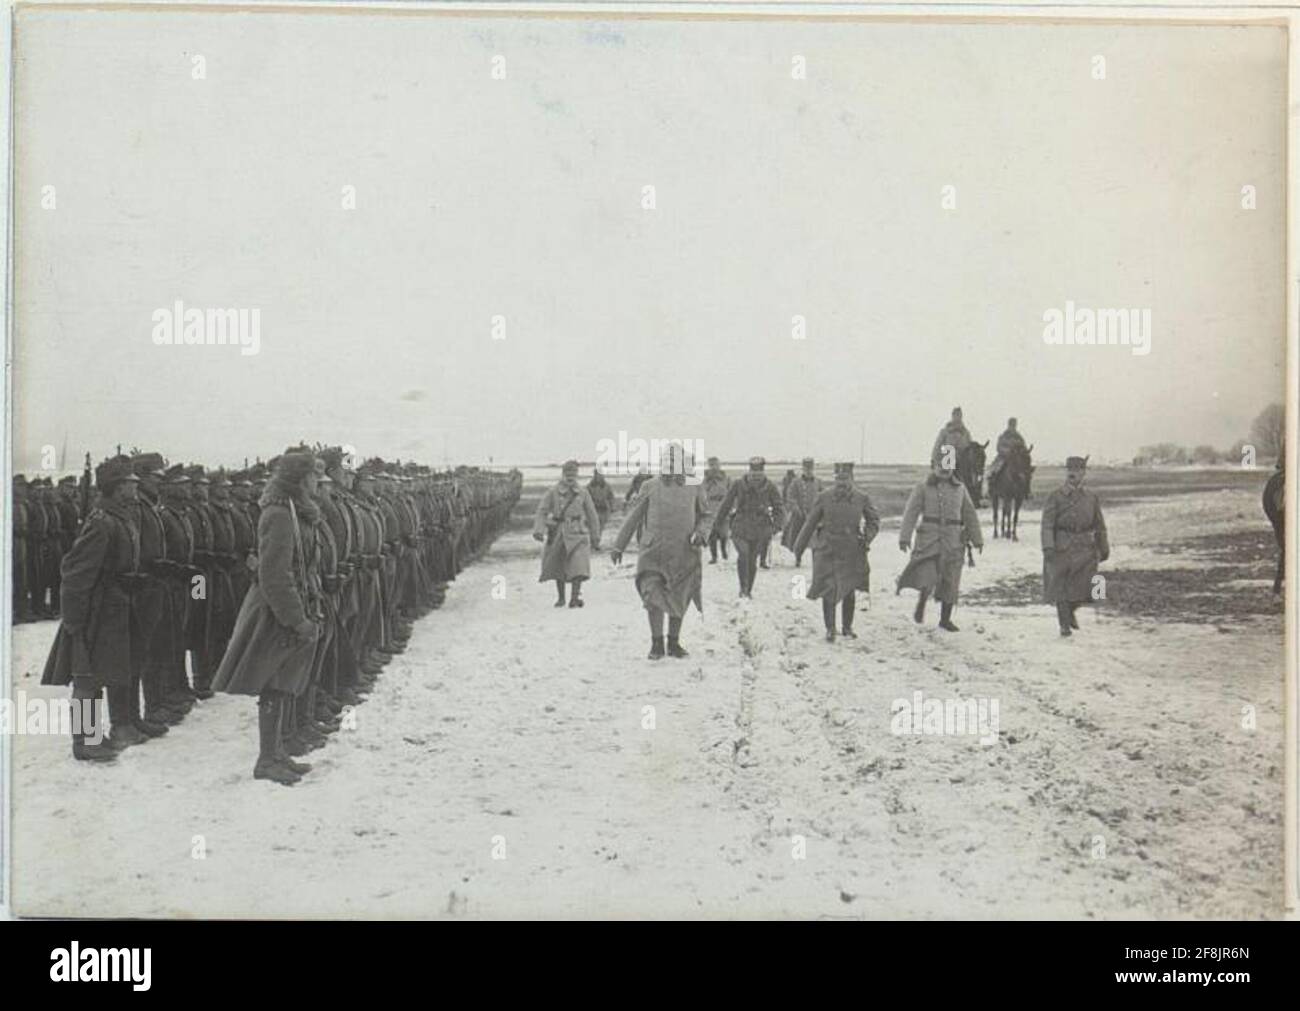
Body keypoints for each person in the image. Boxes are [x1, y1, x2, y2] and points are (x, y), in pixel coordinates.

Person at [211, 449, 323, 785]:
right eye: (314, 475)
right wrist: (296, 618)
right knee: (274, 683)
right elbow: (274, 576)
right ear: (300, 480)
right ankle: (266, 759)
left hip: (293, 605)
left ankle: (276, 754)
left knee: (285, 682)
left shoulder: (296, 511)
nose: (319, 480)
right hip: (278, 611)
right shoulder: (278, 514)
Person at [40, 456, 144, 761]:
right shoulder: (101, 522)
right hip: (95, 611)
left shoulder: (120, 517)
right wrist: (75, 621)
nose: (134, 486)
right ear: (115, 487)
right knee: (87, 677)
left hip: (116, 606)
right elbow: (74, 572)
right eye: (129, 482)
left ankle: (106, 732)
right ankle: (84, 741)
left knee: (106, 671)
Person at [611, 443, 713, 659]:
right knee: (652, 595)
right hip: (653, 552)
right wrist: (619, 545)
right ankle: (656, 643)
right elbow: (634, 517)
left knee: (680, 595)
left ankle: (674, 643)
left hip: (684, 551)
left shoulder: (694, 486)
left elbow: (705, 516)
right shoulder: (650, 486)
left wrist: (701, 533)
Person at [897, 449, 983, 631]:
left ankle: (945, 619)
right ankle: (922, 599)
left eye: (948, 465)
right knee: (927, 574)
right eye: (941, 465)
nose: (945, 470)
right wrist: (904, 537)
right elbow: (911, 512)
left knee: (951, 581)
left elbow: (970, 514)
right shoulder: (923, 487)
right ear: (934, 465)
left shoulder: (960, 488)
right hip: (929, 539)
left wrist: (977, 539)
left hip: (953, 541)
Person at [794, 462, 880, 641]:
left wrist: (867, 537)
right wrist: (799, 547)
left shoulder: (862, 498)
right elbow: (810, 523)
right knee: (829, 589)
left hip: (852, 550)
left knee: (848, 589)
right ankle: (830, 628)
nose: (842, 483)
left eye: (845, 478)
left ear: (852, 479)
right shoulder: (823, 497)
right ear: (835, 479)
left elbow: (874, 521)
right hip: (827, 548)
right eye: (838, 478)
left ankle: (847, 627)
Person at [1041, 455, 1109, 637]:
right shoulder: (1055, 496)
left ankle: (1071, 608)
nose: (1073, 473)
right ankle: (1064, 625)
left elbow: (1099, 524)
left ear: (1083, 473)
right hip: (1061, 546)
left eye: (1078, 470)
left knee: (1086, 587)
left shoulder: (1091, 497)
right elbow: (1047, 523)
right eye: (1070, 470)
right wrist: (1048, 546)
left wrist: (1103, 546)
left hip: (1085, 547)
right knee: (1061, 586)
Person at [533, 459, 601, 608]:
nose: (570, 477)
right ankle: (561, 597)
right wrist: (539, 530)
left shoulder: (583, 493)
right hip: (559, 533)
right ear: (563, 474)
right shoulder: (553, 492)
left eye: (573, 473)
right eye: (567, 473)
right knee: (559, 565)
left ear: (577, 475)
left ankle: (574, 598)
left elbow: (592, 515)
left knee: (579, 566)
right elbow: (542, 511)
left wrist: (595, 537)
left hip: (578, 533)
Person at [716, 456, 784, 598]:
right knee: (744, 554)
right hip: (740, 526)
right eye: (753, 474)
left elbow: (779, 506)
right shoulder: (738, 484)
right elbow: (726, 503)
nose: (756, 477)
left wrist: (777, 525)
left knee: (752, 559)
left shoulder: (770, 486)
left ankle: (749, 590)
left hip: (760, 528)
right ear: (749, 472)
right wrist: (717, 523)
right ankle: (743, 588)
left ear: (763, 472)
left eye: (759, 474)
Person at [782, 457, 821, 567]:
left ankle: (816, 560)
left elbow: (823, 496)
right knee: (798, 538)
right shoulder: (796, 482)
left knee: (815, 539)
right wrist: (796, 509)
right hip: (799, 516)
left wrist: (819, 511)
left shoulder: (818, 482)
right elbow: (790, 497)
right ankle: (798, 558)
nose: (808, 470)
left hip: (814, 516)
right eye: (806, 468)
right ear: (803, 468)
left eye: (810, 468)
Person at [701, 457, 731, 563]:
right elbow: (701, 491)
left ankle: (723, 550)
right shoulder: (704, 478)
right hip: (710, 506)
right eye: (711, 465)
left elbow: (730, 492)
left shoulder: (725, 478)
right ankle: (714, 556)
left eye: (716, 465)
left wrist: (731, 506)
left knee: (723, 533)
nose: (714, 467)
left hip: (723, 505)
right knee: (712, 533)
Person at [987, 417, 1028, 484]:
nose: (1013, 426)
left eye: (1014, 425)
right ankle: (992, 485)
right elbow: (999, 447)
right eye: (1011, 424)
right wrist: (1008, 452)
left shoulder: (1019, 437)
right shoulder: (1003, 436)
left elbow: (1023, 448)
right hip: (1003, 458)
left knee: (1025, 471)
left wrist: (1020, 453)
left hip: (1016, 459)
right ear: (1008, 425)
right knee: (995, 471)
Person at [586, 469, 616, 533]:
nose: (599, 476)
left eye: (601, 474)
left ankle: (597, 538)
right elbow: (585, 499)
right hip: (593, 509)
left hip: (603, 510)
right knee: (593, 527)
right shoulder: (589, 486)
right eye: (597, 474)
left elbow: (611, 497)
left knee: (600, 528)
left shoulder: (607, 486)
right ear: (595, 475)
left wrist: (612, 507)